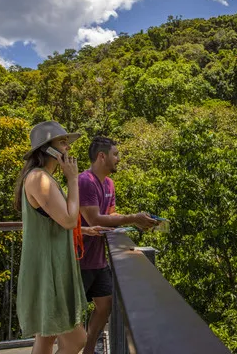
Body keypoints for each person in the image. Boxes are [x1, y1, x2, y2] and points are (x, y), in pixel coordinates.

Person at [13, 121, 108, 354]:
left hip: (50, 269)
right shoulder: (39, 179)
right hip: (49, 271)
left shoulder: (44, 178)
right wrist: (73, 179)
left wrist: (83, 231)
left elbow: (56, 221)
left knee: (45, 340)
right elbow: (67, 219)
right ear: (47, 148)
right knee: (77, 340)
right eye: (62, 142)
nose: (68, 148)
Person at [78, 136, 158, 354]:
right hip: (78, 258)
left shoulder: (109, 184)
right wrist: (132, 218)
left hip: (98, 259)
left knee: (105, 306)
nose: (118, 159)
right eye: (115, 154)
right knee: (71, 317)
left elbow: (111, 215)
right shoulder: (85, 181)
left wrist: (138, 223)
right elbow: (94, 218)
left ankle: (88, 351)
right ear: (101, 156)